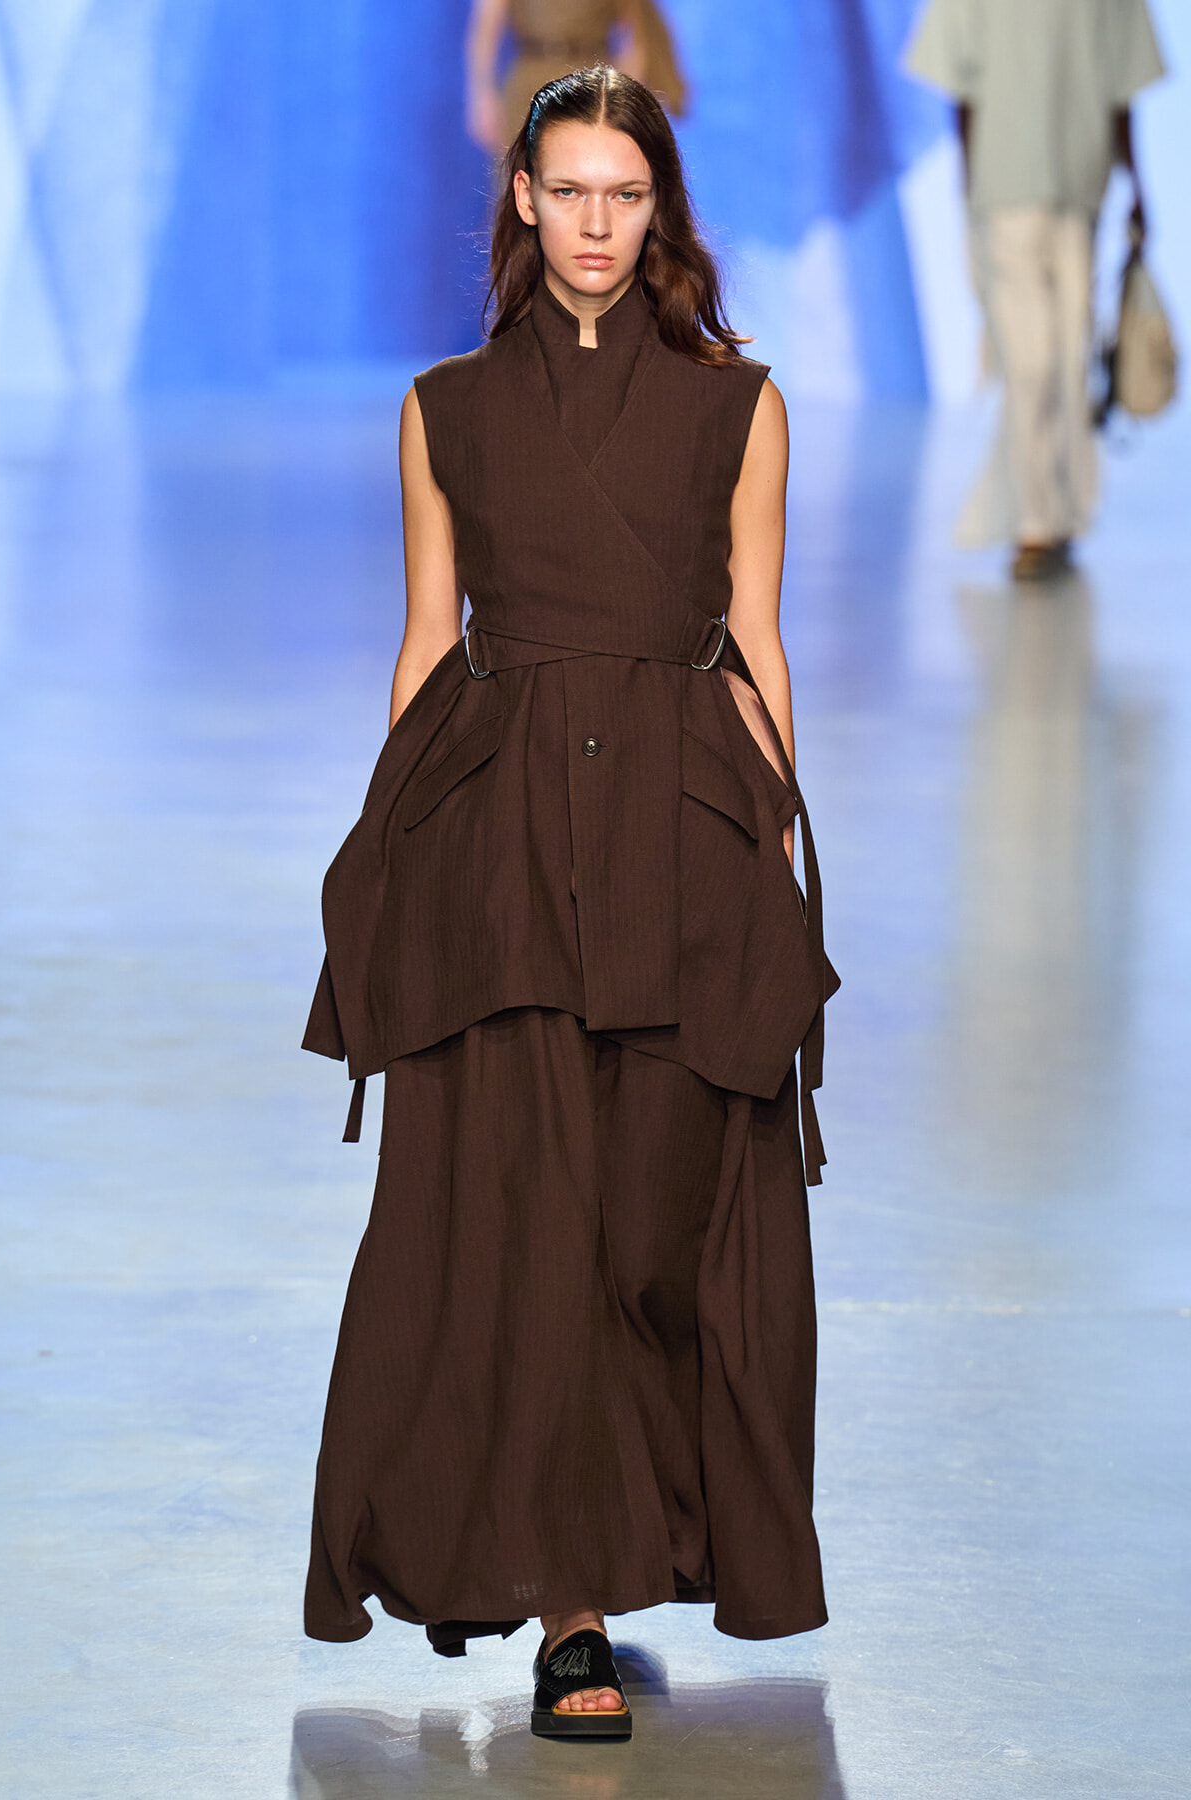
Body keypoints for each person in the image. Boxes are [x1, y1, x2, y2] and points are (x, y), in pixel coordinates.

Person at [301, 66, 836, 1741]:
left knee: (658, 1227)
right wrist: (387, 871)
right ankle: (571, 1616)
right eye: (571, 191)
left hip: (679, 833)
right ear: (521, 201)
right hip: (506, 843)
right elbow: (423, 644)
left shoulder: (738, 406)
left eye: (628, 194)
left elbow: (756, 637)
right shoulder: (444, 409)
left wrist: (774, 859)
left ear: (657, 208)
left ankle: (652, 1533)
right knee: (527, 1225)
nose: (599, 225)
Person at [905, 0, 1165, 581]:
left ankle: (1050, 516)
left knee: (1052, 359)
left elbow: (960, 85)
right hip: (1049, 184)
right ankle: (1042, 519)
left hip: (1044, 186)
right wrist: (1138, 181)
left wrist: (970, 185)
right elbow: (1124, 84)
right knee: (1040, 359)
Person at [466, 0, 684, 155]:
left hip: (591, 84)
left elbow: (639, 35)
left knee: (588, 178)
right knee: (521, 183)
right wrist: (482, 96)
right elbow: (485, 30)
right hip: (528, 84)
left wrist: (624, 97)